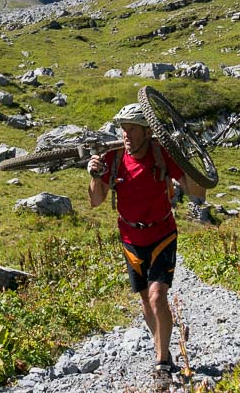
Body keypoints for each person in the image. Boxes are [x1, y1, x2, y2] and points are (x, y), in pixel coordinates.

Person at [87, 103, 206, 380]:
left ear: (146, 131)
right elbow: (95, 201)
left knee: (157, 295)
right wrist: (94, 176)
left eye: (132, 129)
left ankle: (162, 360)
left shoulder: (162, 154)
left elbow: (198, 191)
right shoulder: (113, 158)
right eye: (123, 129)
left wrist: (192, 165)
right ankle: (161, 348)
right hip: (130, 237)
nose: (126, 134)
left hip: (162, 233)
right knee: (144, 298)